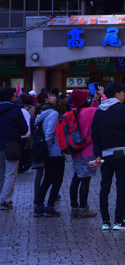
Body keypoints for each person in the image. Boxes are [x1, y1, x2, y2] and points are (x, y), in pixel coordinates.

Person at [92, 81, 125, 230]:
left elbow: (95, 135)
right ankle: (119, 221)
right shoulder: (122, 109)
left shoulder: (99, 111)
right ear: (117, 94)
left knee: (104, 187)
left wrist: (98, 154)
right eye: (122, 92)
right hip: (120, 153)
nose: (124, 94)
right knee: (121, 186)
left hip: (104, 155)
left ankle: (105, 222)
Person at [32, 88, 65, 217]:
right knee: (57, 180)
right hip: (54, 151)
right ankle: (49, 207)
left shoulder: (41, 113)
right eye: (52, 95)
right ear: (46, 99)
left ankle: (39, 206)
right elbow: (50, 132)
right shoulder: (53, 113)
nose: (55, 97)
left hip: (47, 151)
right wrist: (48, 146)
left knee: (47, 179)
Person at [67, 88, 98, 218]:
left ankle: (74, 207)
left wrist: (94, 101)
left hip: (76, 150)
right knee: (86, 180)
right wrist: (98, 98)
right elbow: (101, 110)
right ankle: (84, 208)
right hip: (88, 151)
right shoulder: (90, 111)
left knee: (76, 179)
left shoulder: (71, 112)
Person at [0, 86, 28, 210]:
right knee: (10, 174)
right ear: (11, 96)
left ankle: (2, 197)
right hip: (11, 144)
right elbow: (23, 128)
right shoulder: (15, 109)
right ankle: (5, 200)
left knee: (1, 174)